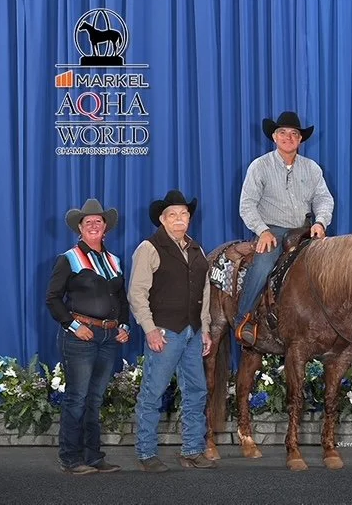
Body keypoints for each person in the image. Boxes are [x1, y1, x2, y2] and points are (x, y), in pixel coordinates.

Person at [128, 190, 215, 472]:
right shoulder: (149, 248)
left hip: (192, 331)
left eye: (184, 215)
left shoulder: (197, 249)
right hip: (165, 332)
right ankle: (146, 453)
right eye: (173, 215)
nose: (180, 219)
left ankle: (192, 450)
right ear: (163, 220)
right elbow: (137, 293)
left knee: (196, 391)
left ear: (189, 218)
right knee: (153, 393)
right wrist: (150, 329)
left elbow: (204, 291)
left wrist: (205, 329)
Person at [46, 199, 130, 475]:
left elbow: (121, 299)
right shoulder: (68, 258)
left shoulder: (114, 260)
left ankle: (94, 456)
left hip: (108, 336)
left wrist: (124, 326)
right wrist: (72, 325)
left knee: (94, 398)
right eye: (88, 222)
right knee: (77, 397)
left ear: (105, 228)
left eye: (98, 221)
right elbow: (53, 299)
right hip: (81, 335)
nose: (93, 225)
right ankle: (70, 458)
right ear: (79, 229)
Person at [235, 111, 334, 345]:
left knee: (333, 266)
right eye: (283, 133)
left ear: (300, 140)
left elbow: (323, 198)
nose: (288, 137)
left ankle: (334, 320)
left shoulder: (311, 168)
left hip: (305, 230)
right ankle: (244, 317)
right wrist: (262, 230)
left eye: (294, 134)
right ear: (274, 137)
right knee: (264, 262)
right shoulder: (260, 167)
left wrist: (321, 222)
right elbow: (247, 204)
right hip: (274, 229)